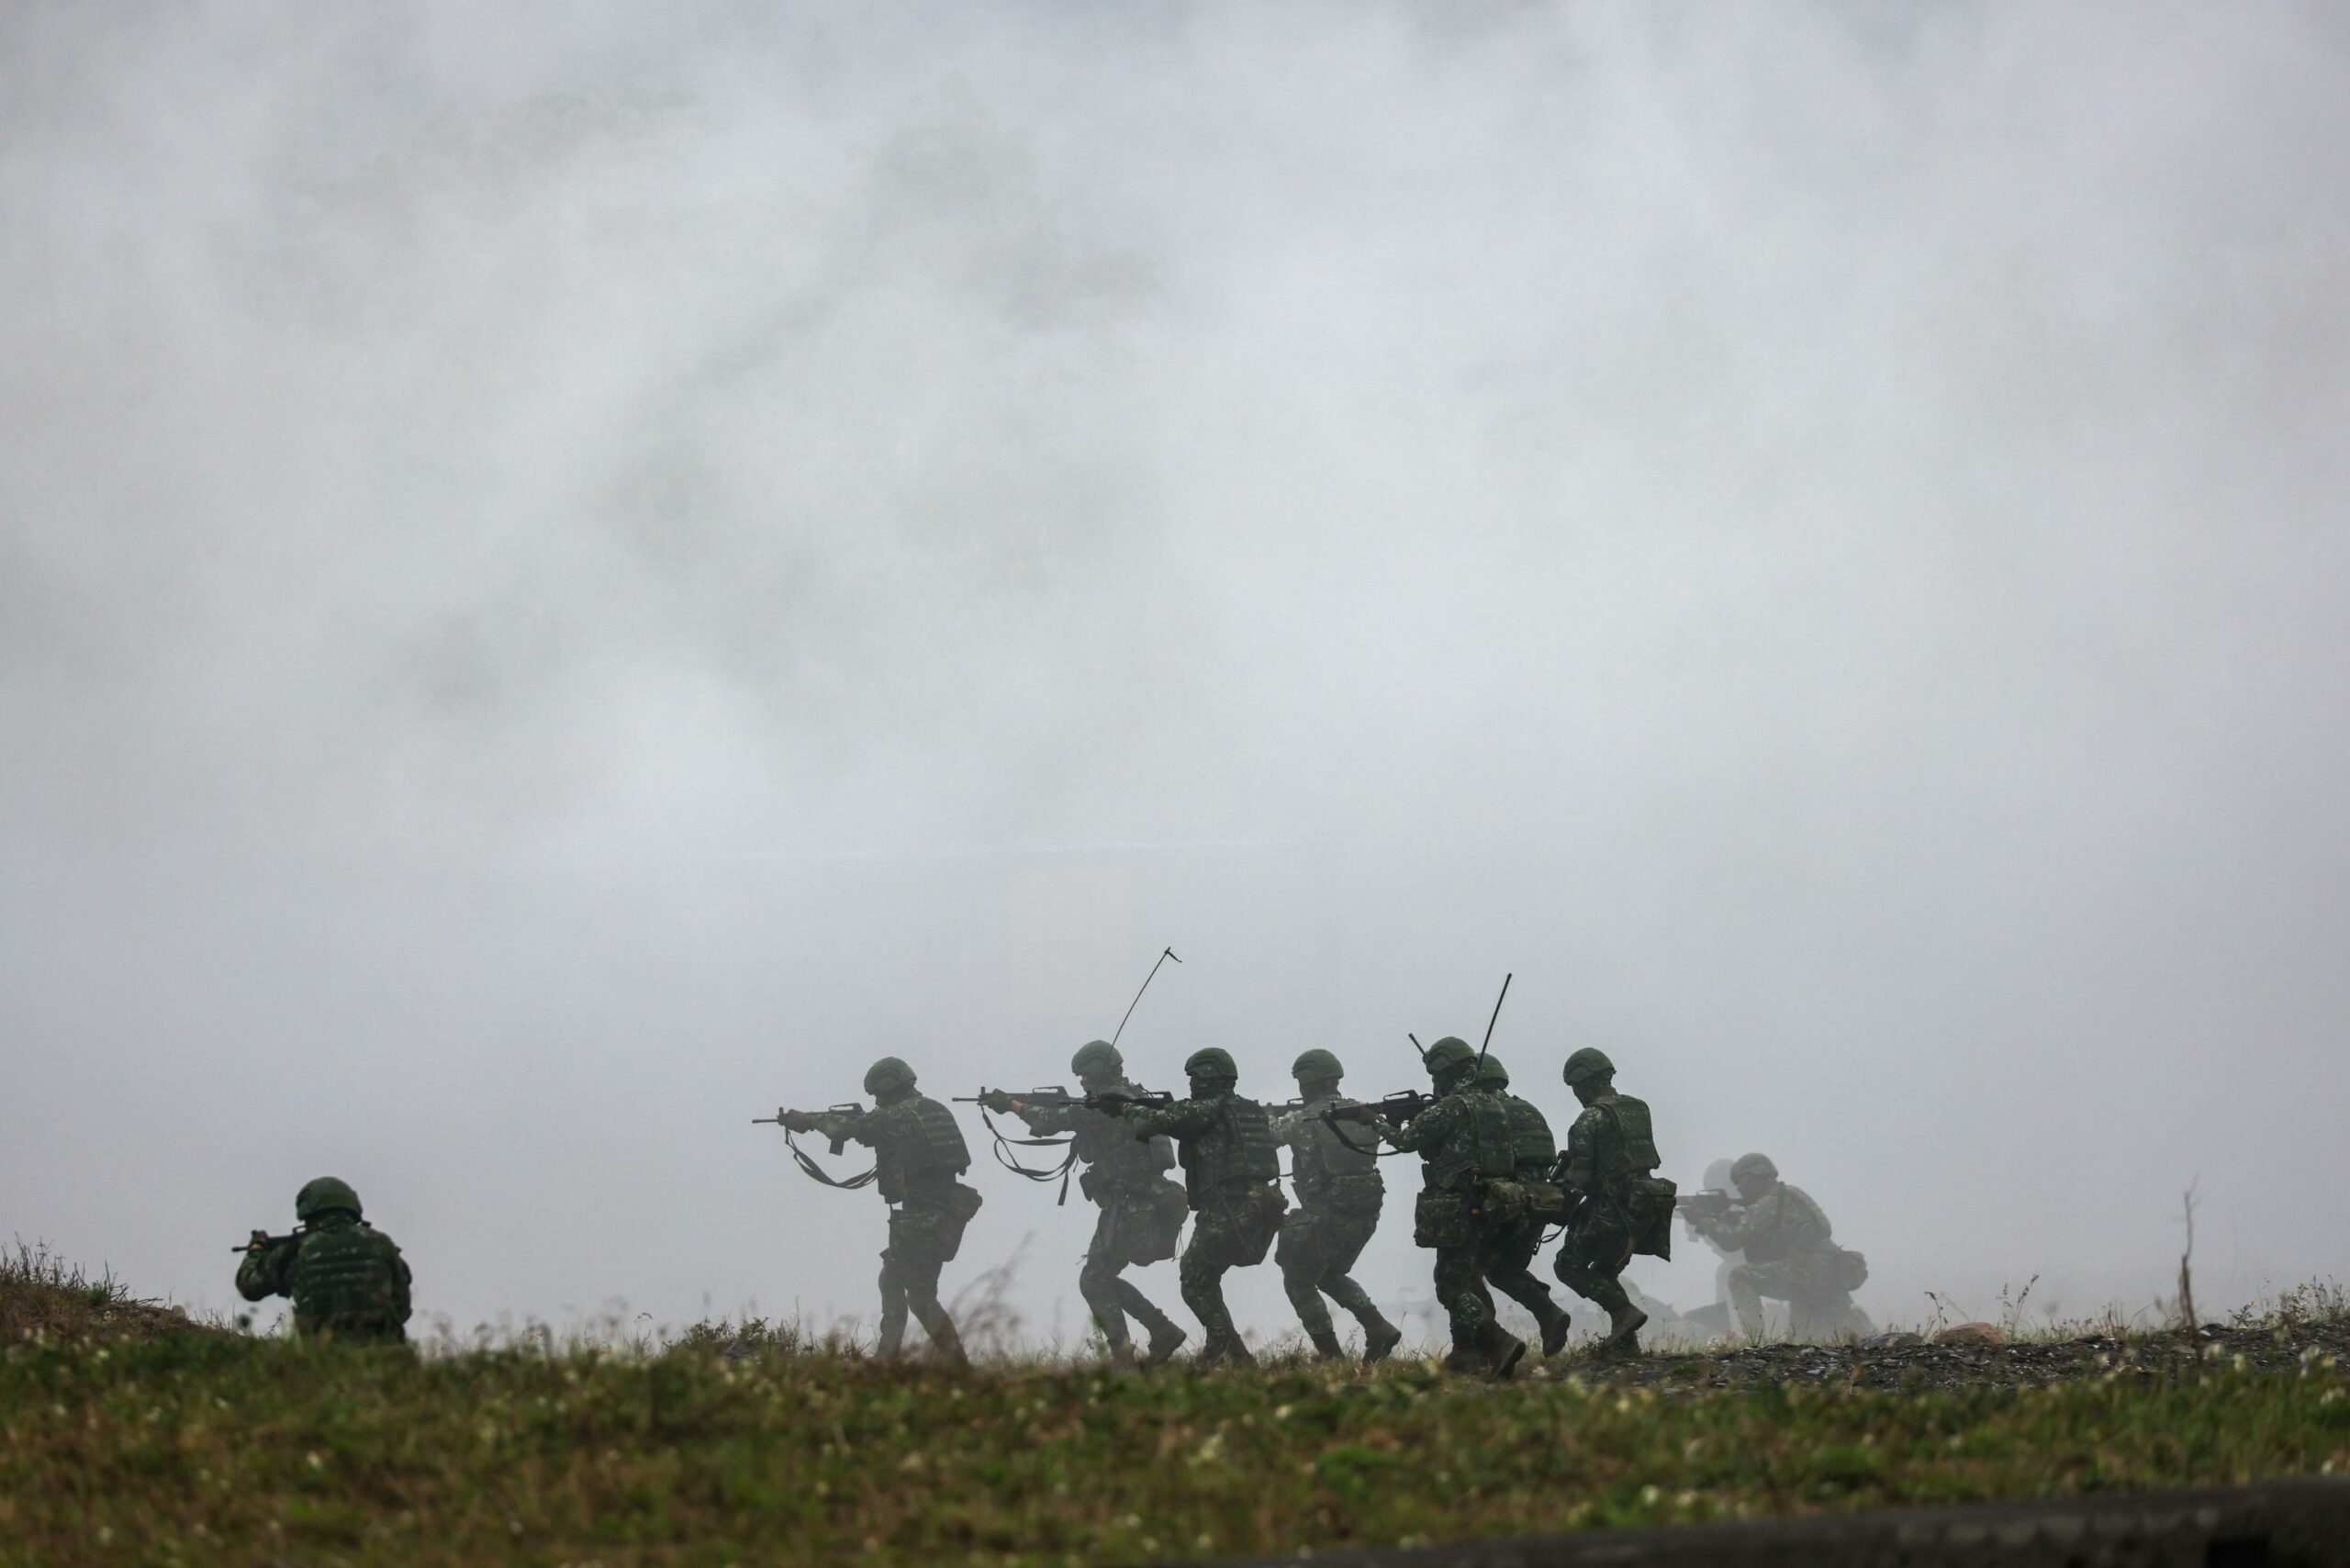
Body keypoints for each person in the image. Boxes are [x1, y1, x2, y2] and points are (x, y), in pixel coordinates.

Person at [981, 1040, 1189, 1367]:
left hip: (1130, 1204)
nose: (1081, 1082)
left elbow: (1049, 1120)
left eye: (1083, 1076)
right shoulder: (1134, 1095)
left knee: (1094, 1279)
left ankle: (1133, 1350)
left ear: (1095, 1071)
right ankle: (1159, 1331)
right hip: (1145, 1200)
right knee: (1100, 1276)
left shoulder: (1107, 1103)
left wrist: (1012, 1105)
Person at [786, 1057, 982, 1366]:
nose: (876, 1101)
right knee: (920, 1297)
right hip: (938, 1214)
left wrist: (808, 1121)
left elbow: (846, 1127)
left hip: (924, 1217)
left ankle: (886, 1360)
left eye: (878, 1093)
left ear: (890, 1087)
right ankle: (959, 1366)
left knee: (893, 1280)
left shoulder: (899, 1115)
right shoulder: (929, 1109)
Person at [1363, 1036, 1527, 1377]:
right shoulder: (1491, 1104)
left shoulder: (1453, 1105)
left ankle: (1498, 1341)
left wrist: (1375, 1122)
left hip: (1461, 1206)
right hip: (1495, 1203)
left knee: (1451, 1284)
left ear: (1443, 1071)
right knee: (1469, 1277)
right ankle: (1470, 1355)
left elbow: (1407, 1141)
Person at [1119, 1047, 1286, 1369]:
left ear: (1210, 1075)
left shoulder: (1206, 1109)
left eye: (1195, 1076)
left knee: (1194, 1279)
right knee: (1209, 1275)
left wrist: (1124, 1107)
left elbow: (1148, 1126)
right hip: (1261, 1207)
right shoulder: (1248, 1109)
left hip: (1225, 1209)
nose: (1192, 1082)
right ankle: (1215, 1352)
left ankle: (1238, 1356)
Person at [1270, 1048, 1403, 1363]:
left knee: (1298, 1282)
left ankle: (1331, 1359)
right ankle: (1378, 1327)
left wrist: (1269, 1117)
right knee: (1329, 1275)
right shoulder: (1361, 1112)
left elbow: (1270, 1136)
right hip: (1364, 1213)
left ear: (1306, 1082)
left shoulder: (1303, 1119)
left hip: (1324, 1214)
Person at [1551, 1047, 1672, 1356]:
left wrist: (1558, 1202)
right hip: (1646, 1202)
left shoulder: (1590, 1118)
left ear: (1585, 1081)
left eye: (1575, 1085)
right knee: (1604, 1270)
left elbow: (1580, 1178)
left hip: (1612, 1206)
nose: (1575, 1092)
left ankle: (1624, 1313)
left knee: (1568, 1265)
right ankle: (1625, 1344)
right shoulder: (1638, 1108)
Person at [1685, 1152, 1872, 1341]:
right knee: (1808, 1341)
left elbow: (1732, 1241)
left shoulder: (1770, 1202)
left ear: (1755, 1176)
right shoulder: (1791, 1194)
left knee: (1739, 1277)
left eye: (1741, 1180)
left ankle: (1754, 1341)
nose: (1739, 1188)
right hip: (1826, 1276)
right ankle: (1862, 1328)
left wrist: (1705, 1220)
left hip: (1806, 1273)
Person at [1474, 1055, 1573, 1357]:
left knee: (1465, 1271)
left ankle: (1490, 1344)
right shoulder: (1528, 1109)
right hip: (1542, 1202)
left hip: (1505, 1203)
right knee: (1505, 1269)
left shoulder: (1484, 1111)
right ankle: (1548, 1313)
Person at [235, 1177, 411, 1343]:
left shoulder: (295, 1251)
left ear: (307, 1212)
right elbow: (402, 1306)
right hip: (388, 1358)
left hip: (324, 1360)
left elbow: (249, 1286)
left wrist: (256, 1249)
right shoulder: (381, 1244)